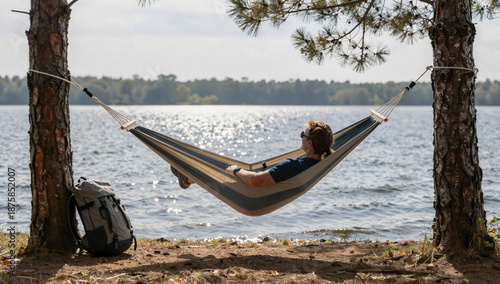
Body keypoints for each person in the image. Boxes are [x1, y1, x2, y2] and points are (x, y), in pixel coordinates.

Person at [172, 119, 334, 188]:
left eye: (302, 135)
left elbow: (257, 182)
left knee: (223, 168)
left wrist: (236, 170)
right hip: (267, 186)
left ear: (310, 143)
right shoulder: (319, 163)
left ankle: (188, 177)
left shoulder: (293, 164)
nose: (301, 137)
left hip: (254, 190)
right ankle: (187, 177)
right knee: (227, 168)